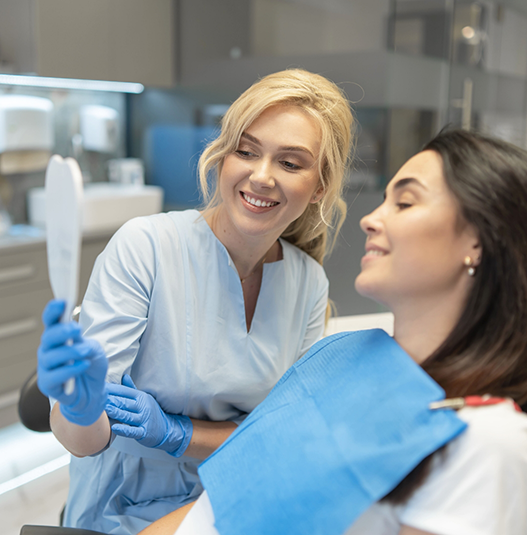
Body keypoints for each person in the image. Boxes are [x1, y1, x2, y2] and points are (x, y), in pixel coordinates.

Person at [142, 129, 527, 535]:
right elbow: (212, 512)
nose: (370, 219)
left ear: (478, 240)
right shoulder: (339, 357)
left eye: (405, 202)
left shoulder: (488, 438)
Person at [36, 68, 355, 534]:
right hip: (124, 507)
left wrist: (176, 433)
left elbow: (281, 438)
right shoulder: (145, 247)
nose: (261, 176)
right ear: (223, 157)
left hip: (237, 499)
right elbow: (85, 441)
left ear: (320, 185)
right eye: (246, 152)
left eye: (290, 163)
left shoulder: (308, 283)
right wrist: (79, 410)